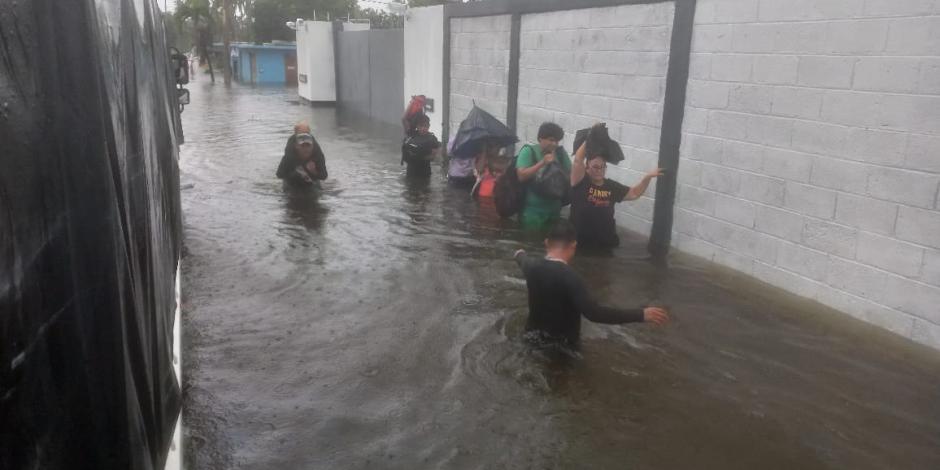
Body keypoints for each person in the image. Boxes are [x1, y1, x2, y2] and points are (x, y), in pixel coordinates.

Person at [513, 222, 669, 345]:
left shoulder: (531, 266)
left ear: (546, 243)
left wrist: (520, 253)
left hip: (531, 339)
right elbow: (594, 313)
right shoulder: (571, 278)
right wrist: (641, 314)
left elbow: (521, 258)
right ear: (574, 245)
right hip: (562, 347)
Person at [570, 134, 663, 249]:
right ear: (587, 168)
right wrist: (590, 136)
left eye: (602, 167)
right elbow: (578, 160)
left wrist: (647, 178)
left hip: (605, 241)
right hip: (580, 242)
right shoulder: (580, 182)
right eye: (595, 167)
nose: (599, 170)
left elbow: (634, 193)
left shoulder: (611, 187)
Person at [516, 122, 572, 230]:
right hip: (533, 213)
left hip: (554, 211)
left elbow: (571, 174)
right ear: (540, 138)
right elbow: (521, 176)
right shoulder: (529, 151)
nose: (554, 144)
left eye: (557, 141)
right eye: (551, 140)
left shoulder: (560, 153)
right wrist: (542, 163)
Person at [401, 113, 441, 178]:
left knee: (424, 187)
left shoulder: (432, 138)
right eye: (421, 126)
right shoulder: (411, 135)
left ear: (429, 126)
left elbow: (434, 156)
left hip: (425, 172)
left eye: (425, 126)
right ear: (417, 126)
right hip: (411, 172)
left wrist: (420, 157)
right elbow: (403, 119)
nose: (423, 128)